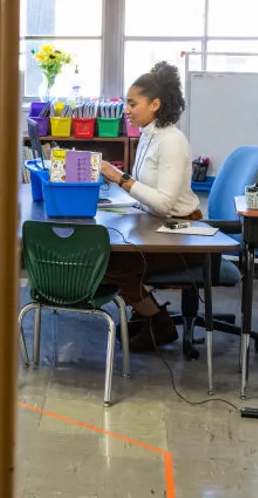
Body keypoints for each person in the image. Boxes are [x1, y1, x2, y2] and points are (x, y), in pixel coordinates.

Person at [98, 62, 202, 352]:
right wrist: (113, 201)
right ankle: (147, 316)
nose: (126, 110)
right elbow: (146, 192)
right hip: (157, 225)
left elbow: (165, 202)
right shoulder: (148, 135)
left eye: (132, 103)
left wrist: (120, 178)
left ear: (155, 104)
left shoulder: (171, 142)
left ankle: (158, 322)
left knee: (113, 263)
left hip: (180, 230)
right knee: (111, 254)